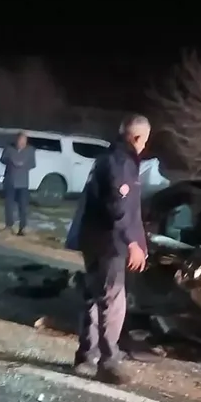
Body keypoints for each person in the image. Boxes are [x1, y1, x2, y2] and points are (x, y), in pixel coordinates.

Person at [66, 114, 151, 384]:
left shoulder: (106, 158)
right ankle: (109, 362)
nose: (144, 147)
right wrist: (133, 242)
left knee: (94, 297)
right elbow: (119, 207)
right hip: (110, 243)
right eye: (144, 141)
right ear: (137, 137)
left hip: (93, 240)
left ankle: (86, 356)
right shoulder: (122, 163)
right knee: (113, 302)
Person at [0, 131, 36, 236]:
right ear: (16, 140)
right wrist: (11, 162)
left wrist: (23, 164)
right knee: (9, 205)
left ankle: (22, 228)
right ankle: (9, 226)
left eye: (24, 141)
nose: (22, 143)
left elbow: (33, 164)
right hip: (10, 181)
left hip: (23, 182)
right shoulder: (9, 149)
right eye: (20, 140)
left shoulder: (30, 150)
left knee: (23, 206)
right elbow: (2, 159)